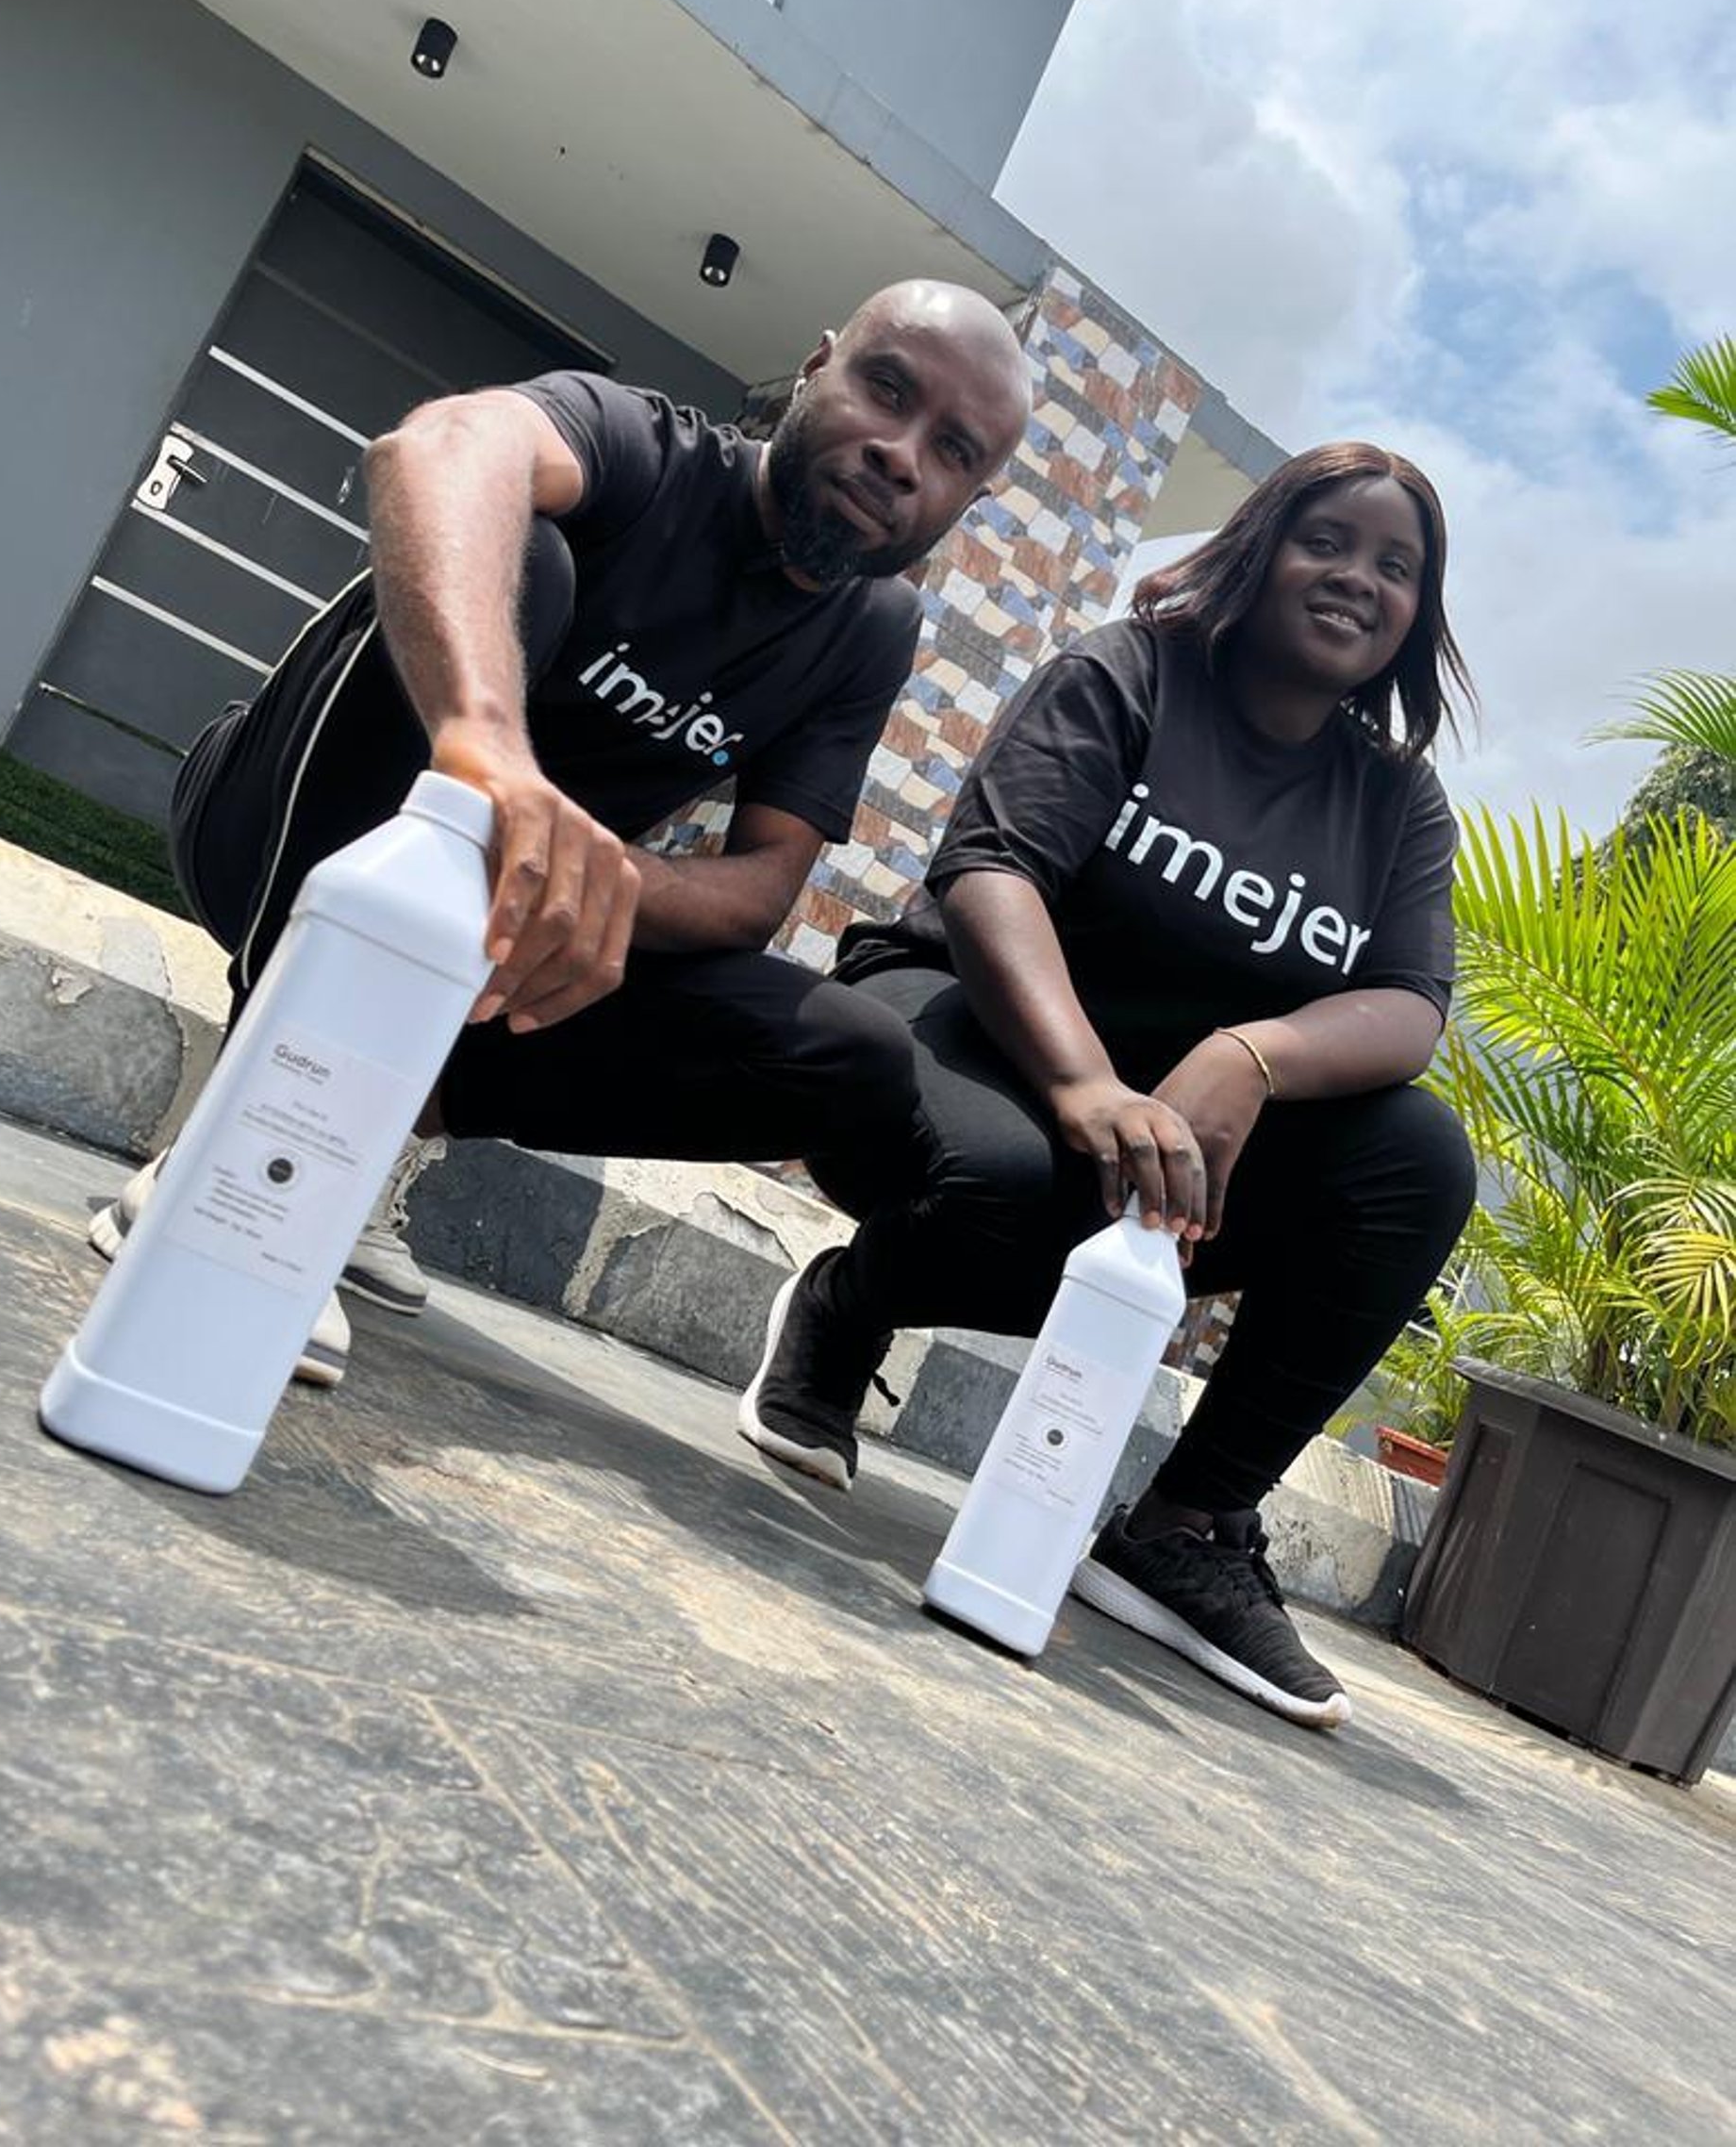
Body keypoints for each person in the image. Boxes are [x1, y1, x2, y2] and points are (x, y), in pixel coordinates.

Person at [91, 281, 1033, 1384]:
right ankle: (245, 1126)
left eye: (954, 449)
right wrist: (488, 754)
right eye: (886, 388)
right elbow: (433, 448)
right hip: (285, 838)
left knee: (856, 1057)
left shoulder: (871, 630)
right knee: (524, 553)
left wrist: (589, 867)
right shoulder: (644, 447)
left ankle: (378, 1123)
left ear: (972, 493)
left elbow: (760, 888)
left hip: (494, 938)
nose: (900, 454)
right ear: (818, 364)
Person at [738, 442, 1479, 1729]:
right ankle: (848, 1306)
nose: (1358, 578)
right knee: (1007, 1181)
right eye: (1328, 542)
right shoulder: (1129, 674)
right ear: (1259, 549)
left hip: (1179, 1129)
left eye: (1396, 566)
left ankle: (1186, 1528)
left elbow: (1411, 1008)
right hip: (978, 1028)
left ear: (1419, 610)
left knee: (1418, 1158)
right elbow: (990, 875)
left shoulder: (1395, 800)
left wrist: (1250, 1056)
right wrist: (1084, 1081)